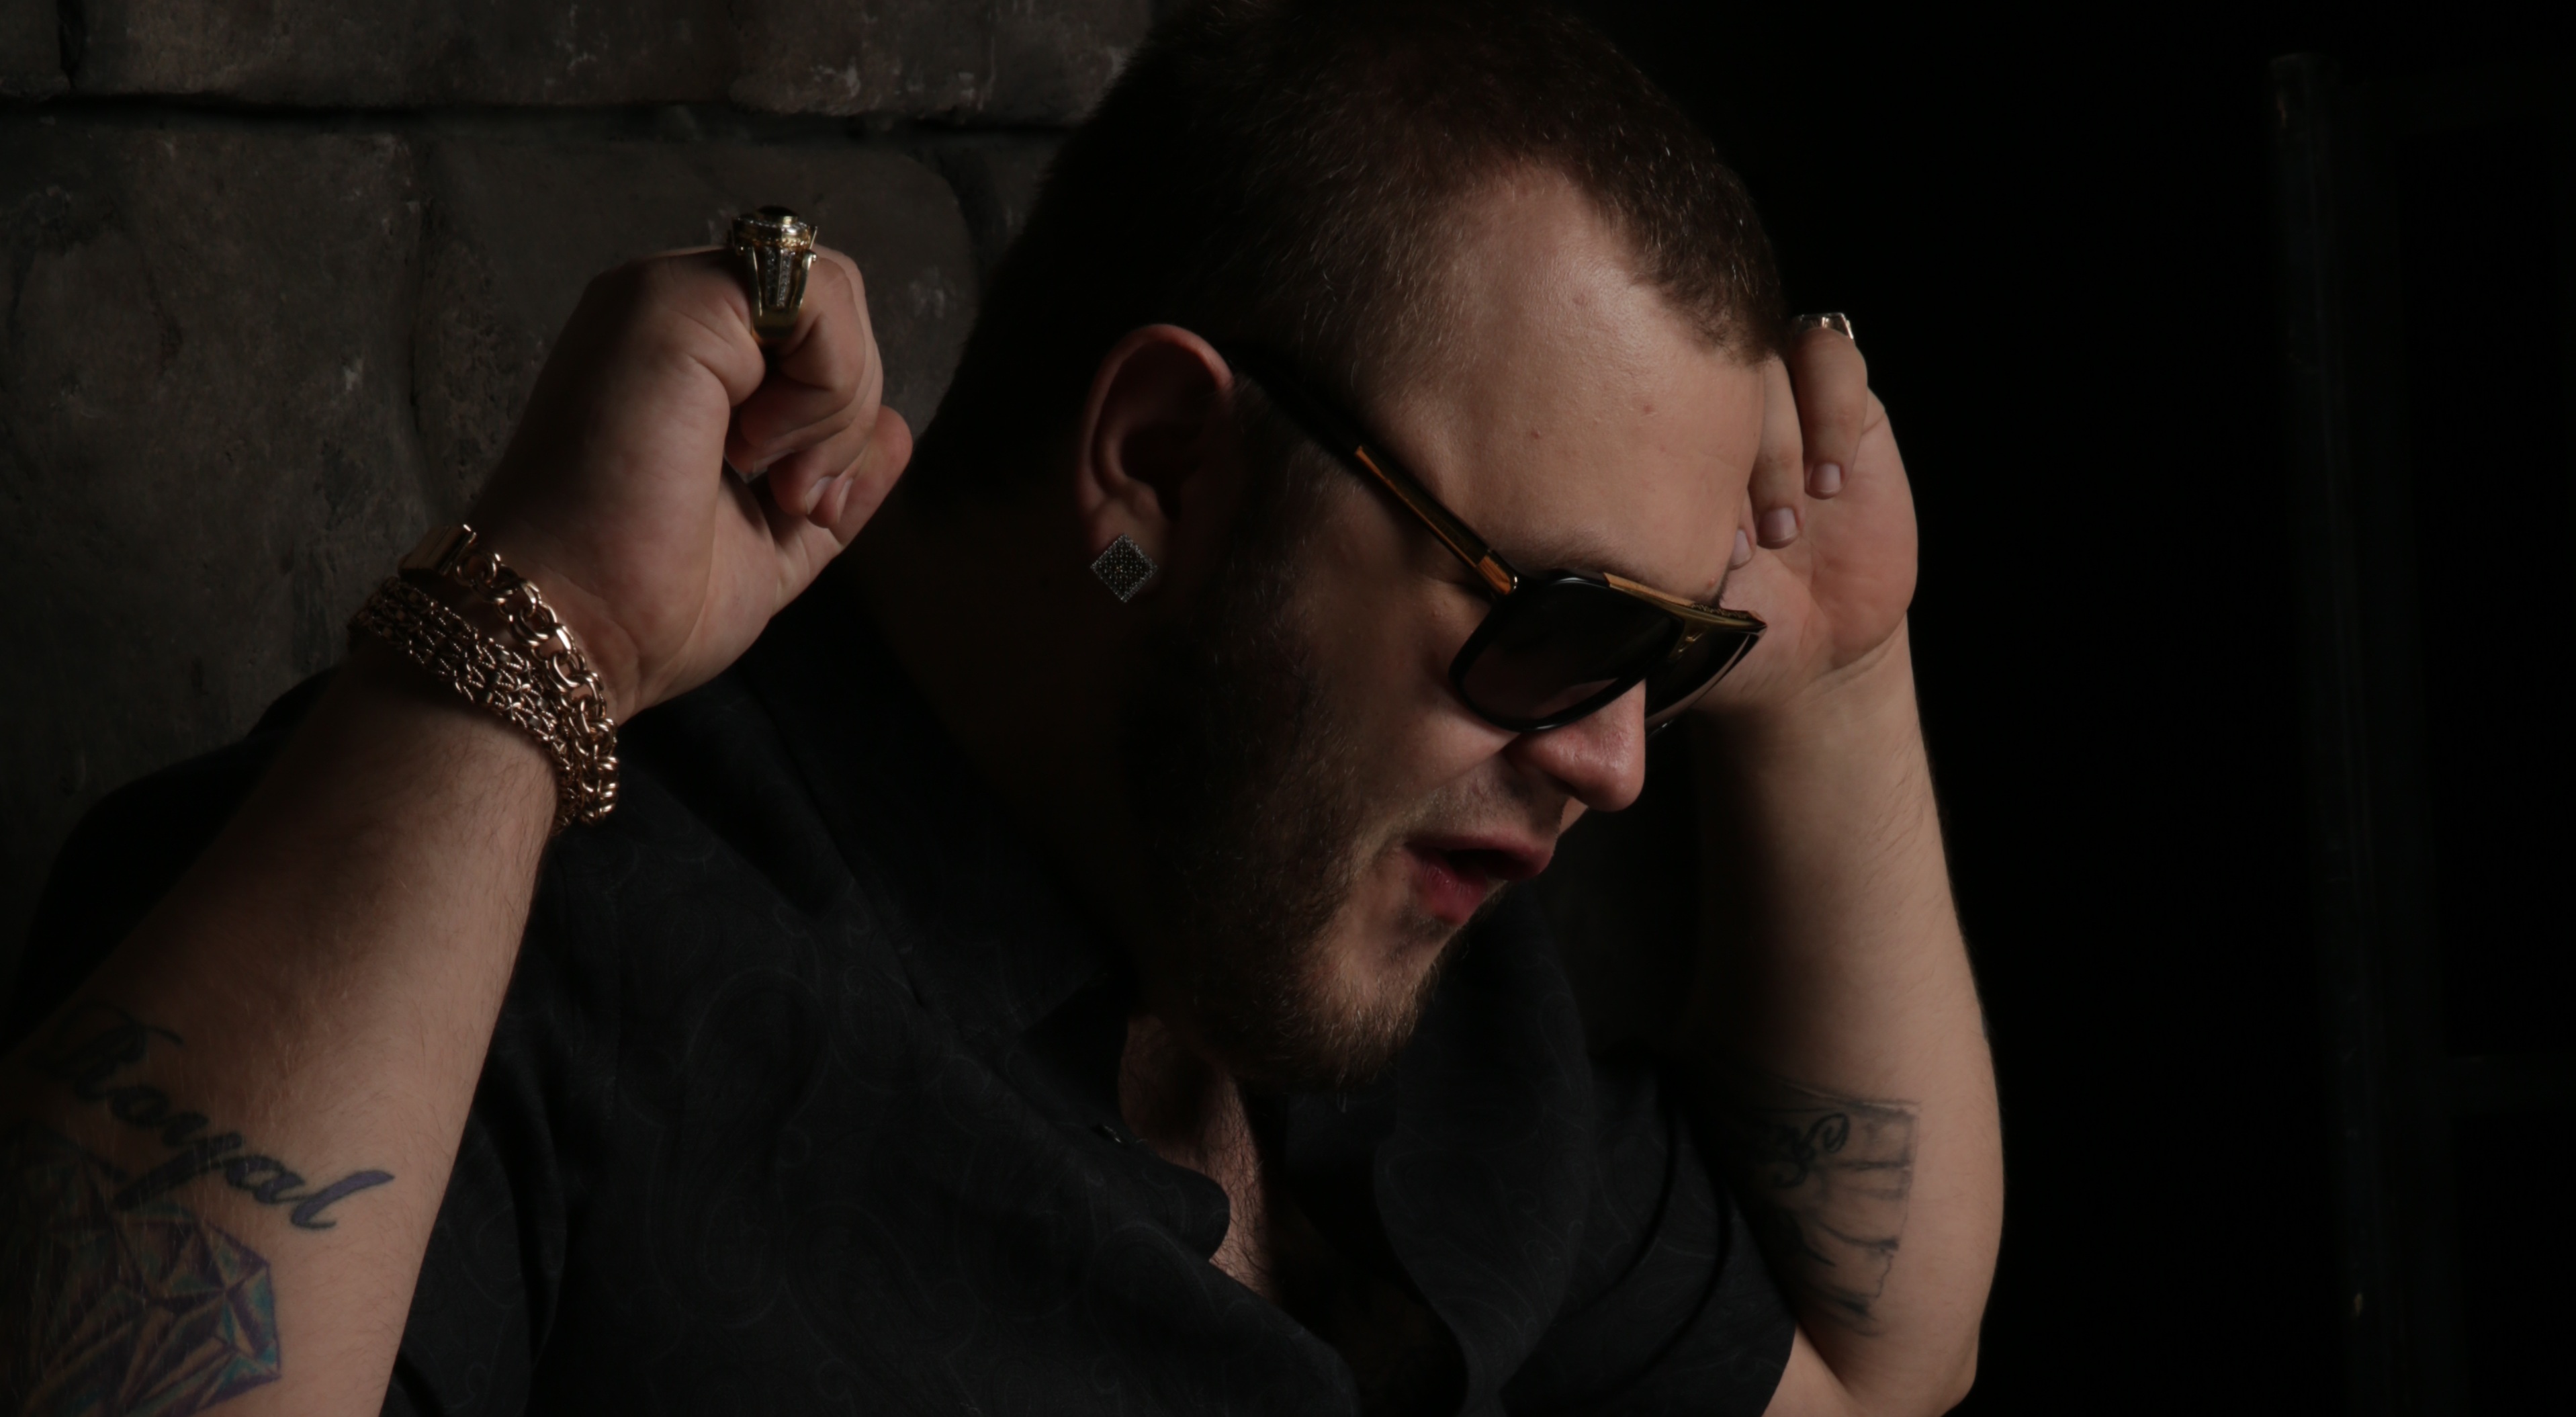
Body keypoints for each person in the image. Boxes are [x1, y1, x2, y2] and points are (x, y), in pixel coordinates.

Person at [0, 1, 2000, 1413]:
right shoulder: (497, 945)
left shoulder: (1395, 978)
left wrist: (1836, 673)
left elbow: (1869, 1364)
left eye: (1668, 659)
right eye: (1557, 624)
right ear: (1159, 463)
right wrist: (537, 643)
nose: (1617, 761)